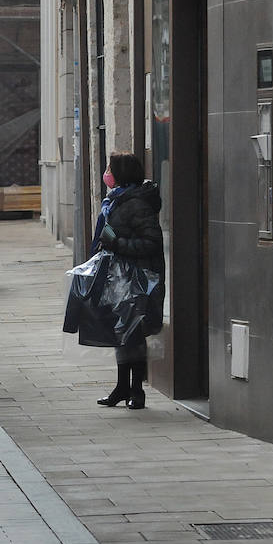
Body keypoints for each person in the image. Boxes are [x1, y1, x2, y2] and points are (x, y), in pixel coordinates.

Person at [92, 151, 164, 410]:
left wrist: (117, 243)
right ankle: (122, 386)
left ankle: (136, 390)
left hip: (137, 279)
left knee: (133, 333)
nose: (107, 174)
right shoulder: (117, 200)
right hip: (118, 278)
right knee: (121, 333)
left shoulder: (136, 204)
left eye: (110, 168)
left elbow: (151, 243)